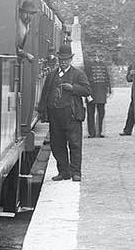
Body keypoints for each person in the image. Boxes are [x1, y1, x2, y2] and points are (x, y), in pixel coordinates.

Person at [37, 43, 91, 181]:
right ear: (58, 60)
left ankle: (76, 172)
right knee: (57, 145)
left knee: (75, 144)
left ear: (71, 60)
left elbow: (87, 90)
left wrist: (73, 88)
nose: (64, 62)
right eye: (61, 60)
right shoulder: (51, 75)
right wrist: (42, 111)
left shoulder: (78, 74)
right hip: (55, 116)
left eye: (66, 60)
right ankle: (63, 172)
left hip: (72, 116)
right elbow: (45, 94)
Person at [84, 45, 112, 137]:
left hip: (101, 92)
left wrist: (108, 90)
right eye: (95, 56)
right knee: (90, 113)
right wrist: (86, 93)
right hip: (91, 92)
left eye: (99, 56)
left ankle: (100, 132)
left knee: (101, 113)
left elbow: (107, 78)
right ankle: (91, 133)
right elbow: (85, 80)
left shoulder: (104, 65)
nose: (97, 58)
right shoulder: (88, 66)